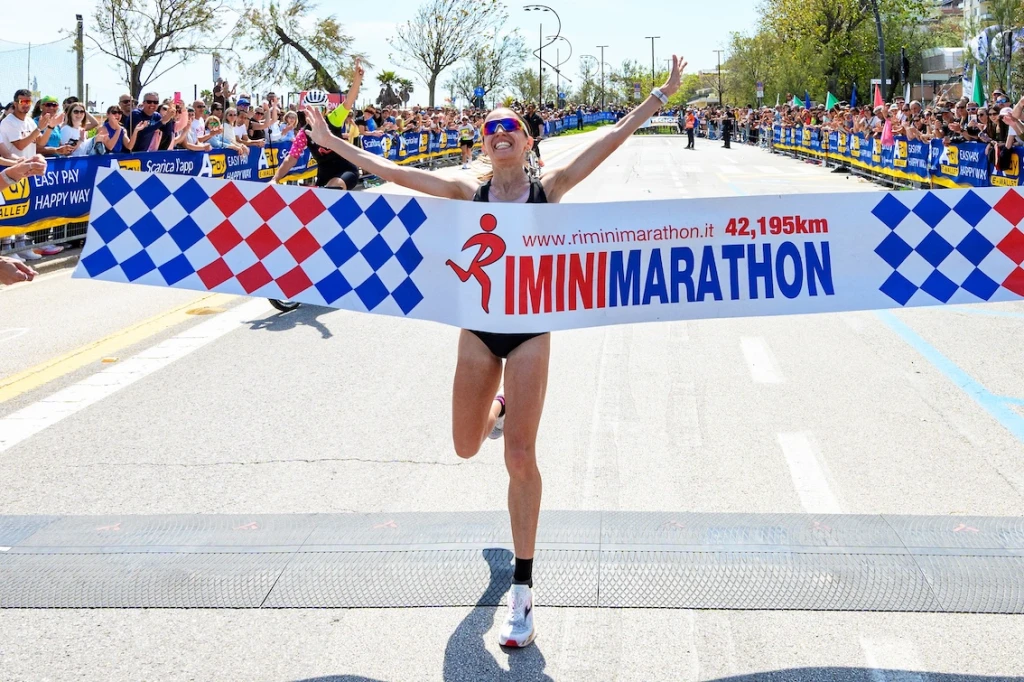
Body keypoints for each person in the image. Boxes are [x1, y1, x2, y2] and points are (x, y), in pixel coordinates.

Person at [305, 53, 686, 650]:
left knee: (520, 456)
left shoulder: (548, 190)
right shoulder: (467, 191)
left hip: (531, 331)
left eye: (511, 125)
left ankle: (523, 589)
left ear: (528, 142)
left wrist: (658, 97)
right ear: (483, 144)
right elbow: (395, 172)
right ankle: (498, 411)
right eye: (490, 127)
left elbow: (610, 139)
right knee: (464, 445)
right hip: (479, 332)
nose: (500, 131)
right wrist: (333, 143)